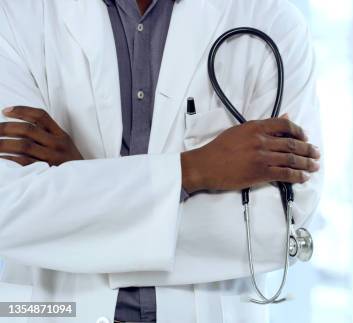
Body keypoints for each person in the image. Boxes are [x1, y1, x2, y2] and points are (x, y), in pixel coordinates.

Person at [0, 0, 323, 322]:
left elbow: (279, 224)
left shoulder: (273, 20)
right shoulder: (15, 17)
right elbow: (9, 209)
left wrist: (83, 184)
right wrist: (195, 170)